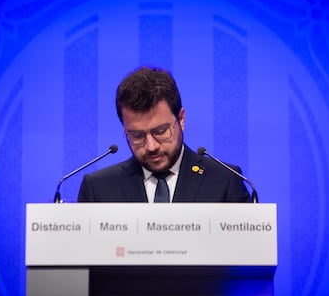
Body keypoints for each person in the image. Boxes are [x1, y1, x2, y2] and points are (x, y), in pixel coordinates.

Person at [78, 66, 251, 203]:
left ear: (181, 119)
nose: (151, 146)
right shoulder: (98, 189)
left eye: (160, 131)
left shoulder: (225, 180)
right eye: (137, 135)